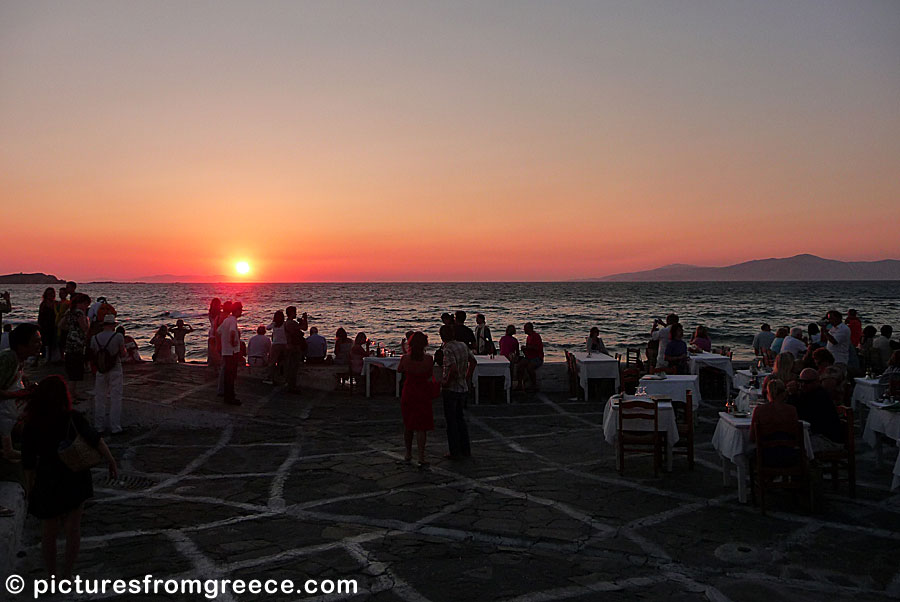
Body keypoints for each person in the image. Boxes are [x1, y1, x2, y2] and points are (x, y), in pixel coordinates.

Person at [22, 375, 117, 578]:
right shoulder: (72, 417)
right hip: (75, 476)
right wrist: (111, 461)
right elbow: (96, 440)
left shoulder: (31, 423)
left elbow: (28, 461)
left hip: (47, 478)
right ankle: (67, 573)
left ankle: (51, 575)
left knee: (49, 532)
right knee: (73, 529)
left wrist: (29, 488)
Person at [0, 324, 42, 460]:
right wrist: (21, 394)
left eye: (40, 340)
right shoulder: (9, 358)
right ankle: (8, 449)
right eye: (35, 341)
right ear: (21, 345)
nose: (40, 344)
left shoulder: (19, 359)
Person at [398, 332, 436, 467]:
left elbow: (399, 370)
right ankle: (421, 456)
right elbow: (430, 374)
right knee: (422, 427)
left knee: (408, 425)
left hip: (409, 392)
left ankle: (408, 453)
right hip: (422, 392)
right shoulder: (428, 359)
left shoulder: (405, 359)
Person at [440, 324, 475, 460]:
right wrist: (466, 377)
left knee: (451, 421)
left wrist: (446, 383)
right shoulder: (462, 345)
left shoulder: (448, 349)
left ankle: (454, 451)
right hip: (462, 387)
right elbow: (473, 361)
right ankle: (465, 449)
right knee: (460, 419)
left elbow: (453, 369)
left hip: (452, 389)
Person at [788, 368, 844, 453]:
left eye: (807, 382)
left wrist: (793, 396)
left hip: (828, 440)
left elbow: (801, 414)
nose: (803, 385)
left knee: (796, 448)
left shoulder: (819, 396)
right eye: (800, 381)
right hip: (817, 435)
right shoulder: (808, 394)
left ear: (816, 382)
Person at [750, 379, 801, 467]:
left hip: (766, 455)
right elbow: (796, 435)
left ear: (768, 393)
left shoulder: (759, 411)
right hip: (789, 454)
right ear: (783, 393)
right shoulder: (791, 410)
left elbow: (752, 437)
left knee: (749, 454)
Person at [90, 314, 126, 434]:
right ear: (113, 325)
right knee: (116, 398)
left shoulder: (94, 338)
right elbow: (123, 353)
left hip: (100, 370)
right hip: (115, 368)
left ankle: (99, 426)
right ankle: (115, 426)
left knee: (99, 398)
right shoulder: (118, 336)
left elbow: (93, 354)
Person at [64, 294, 90, 399]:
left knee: (72, 368)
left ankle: (72, 392)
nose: (87, 307)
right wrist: (87, 321)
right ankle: (72, 393)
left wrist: (71, 329)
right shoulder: (79, 313)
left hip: (70, 340)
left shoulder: (69, 312)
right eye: (86, 304)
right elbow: (84, 328)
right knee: (76, 368)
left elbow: (61, 324)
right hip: (78, 342)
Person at [218, 302, 242, 405]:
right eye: (240, 309)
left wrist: (223, 343)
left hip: (226, 351)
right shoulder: (233, 320)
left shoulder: (226, 320)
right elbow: (232, 331)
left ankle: (228, 396)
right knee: (231, 375)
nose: (241, 312)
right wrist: (233, 342)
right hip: (232, 352)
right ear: (236, 310)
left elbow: (218, 331)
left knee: (228, 375)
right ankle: (230, 397)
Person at [283, 306, 308, 393]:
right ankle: (292, 386)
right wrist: (305, 319)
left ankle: (290, 385)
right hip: (293, 347)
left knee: (291, 367)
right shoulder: (291, 323)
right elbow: (304, 328)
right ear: (291, 313)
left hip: (290, 347)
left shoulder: (287, 323)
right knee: (293, 368)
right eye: (294, 312)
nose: (296, 314)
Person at [263, 310, 287, 385]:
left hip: (276, 344)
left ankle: (270, 377)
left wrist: (273, 322)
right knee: (283, 362)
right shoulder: (285, 324)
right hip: (284, 344)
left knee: (272, 362)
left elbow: (267, 328)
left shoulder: (274, 324)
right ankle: (284, 379)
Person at [522, 322, 544, 391]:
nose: (524, 330)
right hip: (530, 357)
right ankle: (521, 383)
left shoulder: (536, 336)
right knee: (520, 365)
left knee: (530, 367)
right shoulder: (528, 337)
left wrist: (528, 348)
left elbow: (537, 348)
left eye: (525, 329)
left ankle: (534, 384)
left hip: (537, 357)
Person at [38, 287, 57, 364]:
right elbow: (40, 316)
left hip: (53, 325)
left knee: (52, 342)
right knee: (44, 343)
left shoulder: (56, 303)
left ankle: (50, 358)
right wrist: (39, 325)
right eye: (48, 293)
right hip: (44, 325)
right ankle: (42, 358)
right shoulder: (43, 304)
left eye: (52, 293)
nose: (50, 295)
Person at [207, 298, 222, 367]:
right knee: (217, 352)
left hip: (211, 332)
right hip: (216, 333)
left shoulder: (210, 313)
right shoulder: (219, 314)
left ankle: (211, 364)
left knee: (211, 351)